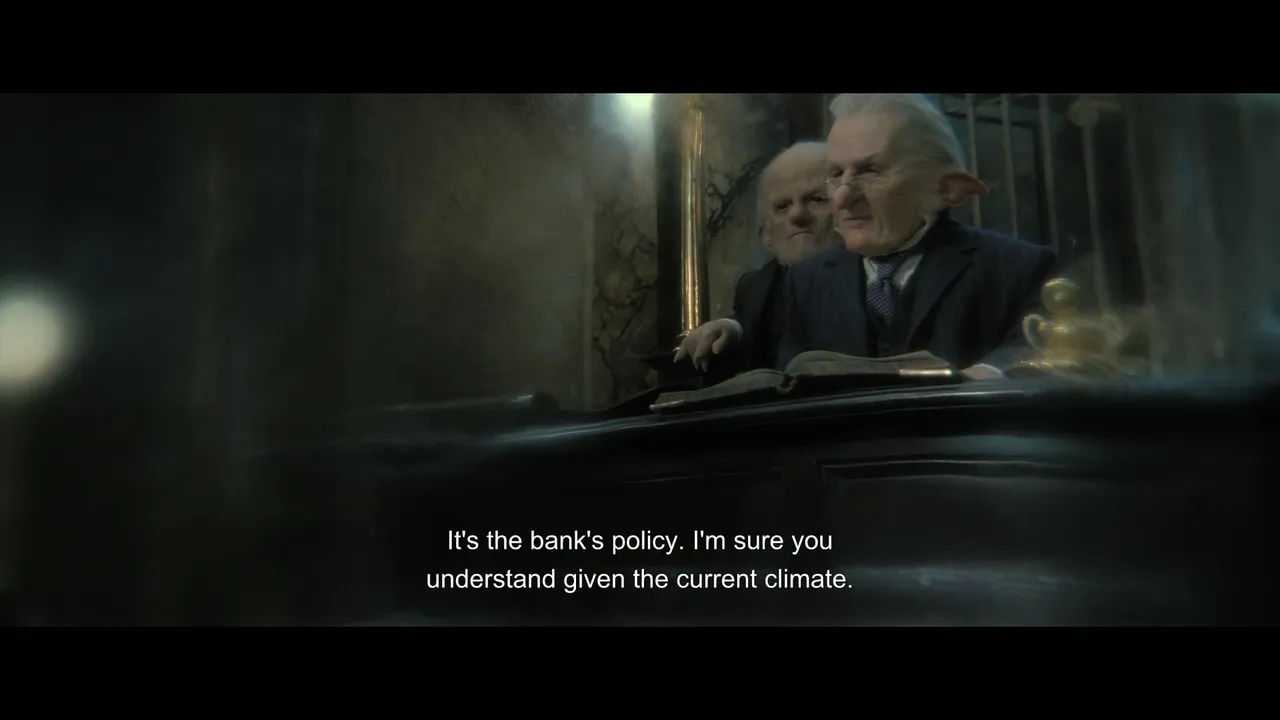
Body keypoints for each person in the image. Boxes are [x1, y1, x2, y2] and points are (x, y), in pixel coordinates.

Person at [778, 94, 1057, 378]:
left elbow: (1044, 352)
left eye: (870, 171)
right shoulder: (804, 282)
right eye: (837, 173)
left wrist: (987, 375)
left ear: (946, 188)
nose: (842, 197)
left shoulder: (1017, 268)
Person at [674, 142, 839, 377]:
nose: (797, 215)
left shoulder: (875, 276)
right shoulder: (754, 287)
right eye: (782, 206)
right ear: (765, 235)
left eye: (817, 199)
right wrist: (728, 329)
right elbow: (746, 323)